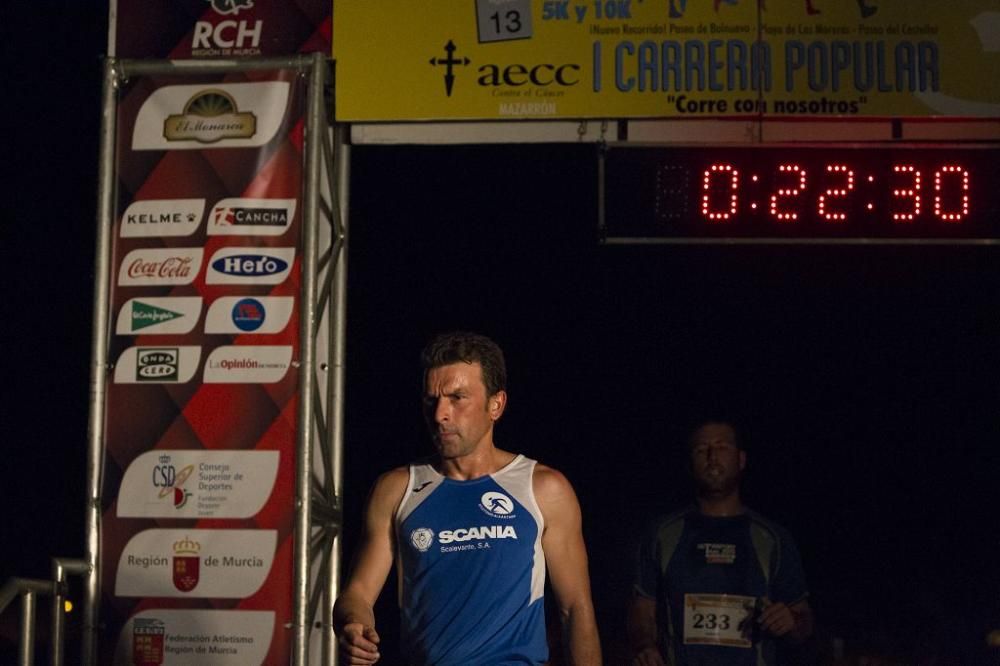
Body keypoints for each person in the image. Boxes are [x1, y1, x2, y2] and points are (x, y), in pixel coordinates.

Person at [334, 332, 602, 665]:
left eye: (457, 397)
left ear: (496, 404)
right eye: (432, 400)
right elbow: (357, 594)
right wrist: (353, 625)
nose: (440, 414)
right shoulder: (396, 489)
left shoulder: (544, 488)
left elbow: (575, 608)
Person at [627, 421, 813, 665]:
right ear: (691, 464)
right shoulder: (662, 534)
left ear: (741, 459)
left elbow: (804, 622)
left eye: (722, 447)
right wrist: (645, 646)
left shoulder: (773, 539)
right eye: (701, 449)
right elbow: (642, 610)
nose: (712, 456)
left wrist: (791, 621)